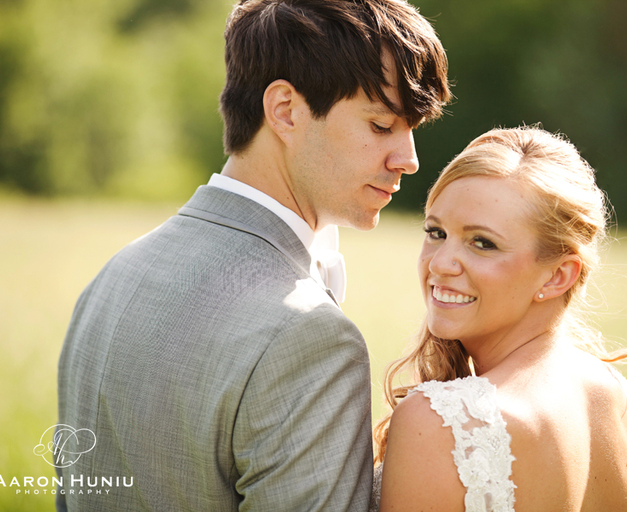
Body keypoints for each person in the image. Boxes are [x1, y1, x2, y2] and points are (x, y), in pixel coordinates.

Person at [55, 0, 450, 510]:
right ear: (285, 110)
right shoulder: (308, 336)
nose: (410, 159)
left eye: (412, 129)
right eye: (381, 125)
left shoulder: (117, 273)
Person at [370, 126, 627, 512]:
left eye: (483, 243)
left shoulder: (440, 422)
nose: (440, 263)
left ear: (557, 276)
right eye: (436, 232)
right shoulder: (618, 400)